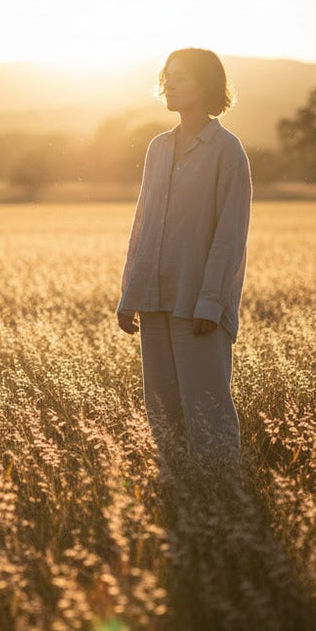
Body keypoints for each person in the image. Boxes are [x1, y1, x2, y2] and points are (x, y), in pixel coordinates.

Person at [116, 48, 252, 474]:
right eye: (167, 76)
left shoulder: (227, 151)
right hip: (154, 301)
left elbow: (229, 236)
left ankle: (222, 495)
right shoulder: (158, 149)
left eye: (182, 78)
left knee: (208, 412)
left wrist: (210, 304)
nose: (170, 84)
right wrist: (128, 296)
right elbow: (143, 226)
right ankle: (180, 495)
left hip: (199, 306)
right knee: (163, 414)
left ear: (208, 86)